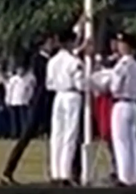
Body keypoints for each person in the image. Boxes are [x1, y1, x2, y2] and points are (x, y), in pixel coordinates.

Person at [1, 33, 58, 185]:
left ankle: (57, 172)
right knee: (25, 138)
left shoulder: (49, 59)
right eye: (50, 41)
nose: (53, 44)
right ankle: (8, 171)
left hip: (49, 104)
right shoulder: (39, 60)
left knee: (56, 140)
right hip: (40, 104)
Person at [46, 29, 84, 185]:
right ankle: (65, 172)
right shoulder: (74, 62)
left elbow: (49, 84)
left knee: (57, 135)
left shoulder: (52, 61)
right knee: (70, 135)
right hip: (72, 95)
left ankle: (56, 171)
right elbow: (80, 84)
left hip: (58, 96)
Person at [107, 32, 136, 186]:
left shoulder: (122, 65)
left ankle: (124, 177)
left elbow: (114, 86)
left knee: (121, 142)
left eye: (121, 44)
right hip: (134, 104)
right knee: (132, 142)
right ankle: (133, 176)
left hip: (121, 103)